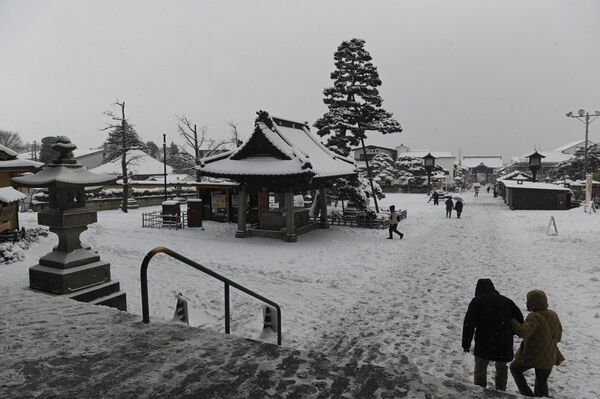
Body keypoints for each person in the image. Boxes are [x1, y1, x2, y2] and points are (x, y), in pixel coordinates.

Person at [462, 279, 524, 392]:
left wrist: (466, 343)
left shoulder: (477, 301)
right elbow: (520, 320)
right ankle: (501, 392)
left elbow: (469, 324)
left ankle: (480, 392)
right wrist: (509, 332)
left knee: (480, 369)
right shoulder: (507, 301)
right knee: (501, 369)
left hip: (484, 341)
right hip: (503, 342)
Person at [510, 290, 563, 397]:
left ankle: (527, 395)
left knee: (515, 368)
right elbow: (558, 337)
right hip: (549, 357)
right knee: (541, 383)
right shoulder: (553, 314)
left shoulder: (533, 316)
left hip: (533, 356)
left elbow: (523, 332)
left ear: (530, 303)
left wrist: (513, 321)